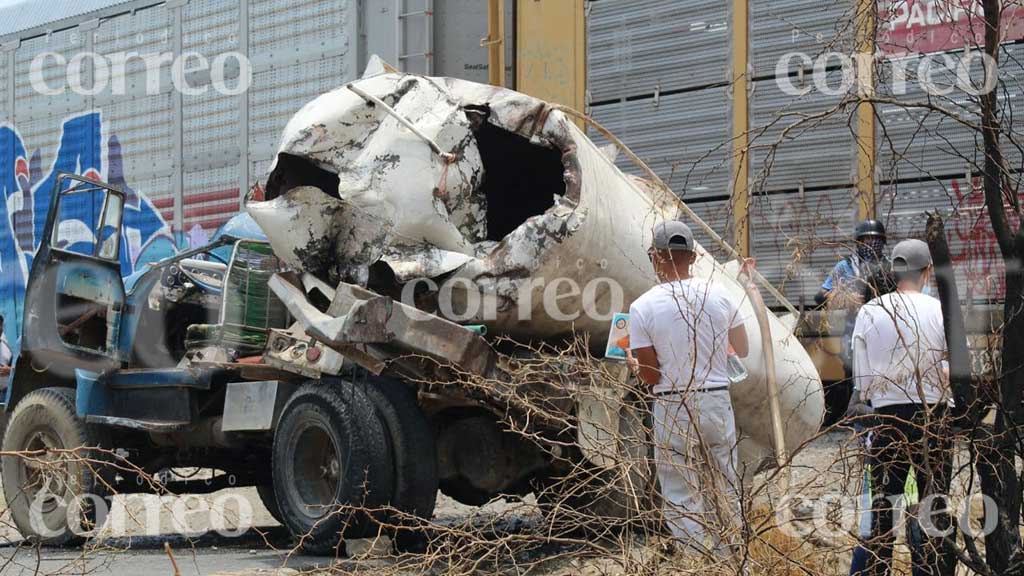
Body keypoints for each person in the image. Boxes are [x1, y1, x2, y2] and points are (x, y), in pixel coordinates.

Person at [627, 220, 749, 557]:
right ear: (693, 257)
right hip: (716, 401)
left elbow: (651, 377)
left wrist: (637, 366)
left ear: (655, 257)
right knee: (725, 482)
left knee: (680, 490)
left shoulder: (643, 307)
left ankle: (697, 560)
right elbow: (742, 347)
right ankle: (731, 558)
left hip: (672, 405)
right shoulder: (722, 295)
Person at [846, 239, 956, 576]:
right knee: (932, 509)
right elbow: (955, 373)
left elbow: (861, 382)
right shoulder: (941, 310)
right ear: (927, 272)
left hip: (886, 418)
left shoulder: (870, 311)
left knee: (882, 512)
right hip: (933, 418)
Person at [817, 219, 893, 419]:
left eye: (875, 239)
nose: (871, 243)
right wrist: (844, 297)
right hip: (854, 334)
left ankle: (883, 419)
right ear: (858, 242)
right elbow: (821, 294)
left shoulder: (890, 266)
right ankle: (862, 425)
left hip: (883, 332)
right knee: (858, 381)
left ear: (883, 242)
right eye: (866, 239)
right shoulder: (846, 266)